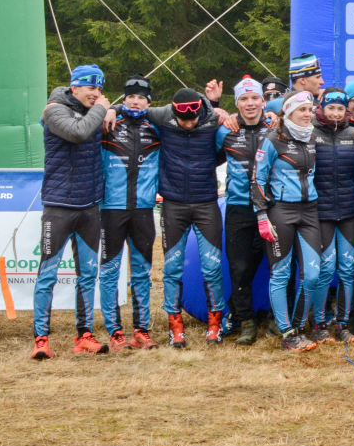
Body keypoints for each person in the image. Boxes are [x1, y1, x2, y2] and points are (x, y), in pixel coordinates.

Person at [31, 64, 111, 359]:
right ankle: (41, 338)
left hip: (90, 206)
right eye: (92, 88)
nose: (97, 94)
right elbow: (77, 133)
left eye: (100, 90)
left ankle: (84, 335)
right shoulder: (54, 110)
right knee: (48, 275)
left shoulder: (94, 110)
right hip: (58, 207)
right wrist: (103, 110)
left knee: (88, 274)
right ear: (74, 87)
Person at [146, 86, 229, 347]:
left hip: (206, 204)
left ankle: (216, 325)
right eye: (184, 121)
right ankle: (175, 326)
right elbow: (133, 108)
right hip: (173, 205)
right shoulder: (163, 117)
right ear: (174, 113)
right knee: (171, 268)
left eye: (194, 120)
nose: (189, 124)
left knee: (212, 267)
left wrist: (226, 112)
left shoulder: (213, 120)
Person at [252, 91, 325, 352]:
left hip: (309, 211)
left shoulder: (313, 137)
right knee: (281, 274)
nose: (307, 114)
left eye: (310, 109)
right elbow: (258, 180)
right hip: (280, 211)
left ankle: (298, 326)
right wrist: (261, 215)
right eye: (301, 110)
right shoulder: (273, 139)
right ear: (288, 112)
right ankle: (287, 333)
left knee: (313, 274)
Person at [99, 74, 160, 351]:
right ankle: (114, 332)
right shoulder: (110, 122)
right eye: (130, 97)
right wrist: (112, 109)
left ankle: (141, 330)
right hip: (111, 209)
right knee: (110, 271)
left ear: (149, 101)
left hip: (144, 210)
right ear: (123, 99)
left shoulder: (155, 126)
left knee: (142, 272)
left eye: (141, 97)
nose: (135, 101)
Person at [217, 76, 274, 344]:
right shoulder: (225, 130)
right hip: (239, 207)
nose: (250, 104)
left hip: (272, 208)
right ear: (237, 103)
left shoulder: (276, 127)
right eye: (244, 99)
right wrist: (216, 108)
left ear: (263, 101)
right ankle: (246, 321)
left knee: (279, 267)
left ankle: (277, 318)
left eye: (254, 98)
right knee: (239, 267)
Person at [312, 90, 354, 342]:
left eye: (340, 109)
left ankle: (342, 324)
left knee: (347, 269)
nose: (335, 113)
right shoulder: (310, 132)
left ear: (346, 111)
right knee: (324, 269)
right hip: (320, 214)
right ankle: (319, 323)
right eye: (330, 108)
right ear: (321, 108)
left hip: (348, 213)